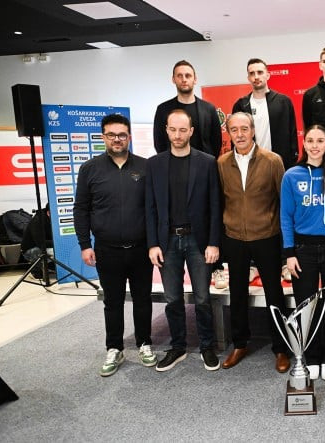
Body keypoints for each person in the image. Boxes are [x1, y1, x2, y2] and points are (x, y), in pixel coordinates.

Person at [74, 113, 156, 377]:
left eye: (122, 135)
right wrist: (85, 244)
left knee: (143, 299)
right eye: (111, 135)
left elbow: (153, 208)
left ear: (129, 137)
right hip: (106, 250)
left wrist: (154, 244)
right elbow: (81, 209)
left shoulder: (145, 167)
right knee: (113, 302)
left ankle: (144, 343)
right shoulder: (90, 169)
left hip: (141, 248)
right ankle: (114, 348)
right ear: (103, 137)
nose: (117, 139)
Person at [145, 109, 222, 372]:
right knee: (173, 299)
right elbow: (150, 208)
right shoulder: (154, 164)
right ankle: (177, 347)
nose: (177, 135)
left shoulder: (207, 162)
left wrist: (214, 242)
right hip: (167, 242)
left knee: (202, 298)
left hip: (198, 241)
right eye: (173, 129)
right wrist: (152, 244)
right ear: (166, 130)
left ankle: (207, 346)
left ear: (191, 131)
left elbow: (215, 205)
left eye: (182, 130)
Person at [217, 112, 290, 373]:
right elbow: (220, 201)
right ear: (229, 133)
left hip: (267, 236)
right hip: (234, 237)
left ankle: (281, 348)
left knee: (274, 294)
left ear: (253, 130)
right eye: (234, 130)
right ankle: (240, 344)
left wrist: (286, 245)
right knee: (237, 293)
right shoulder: (222, 163)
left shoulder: (272, 161)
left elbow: (284, 202)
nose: (239, 134)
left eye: (244, 129)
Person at [280, 125, 325, 381]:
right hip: (303, 250)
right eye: (310, 140)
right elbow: (286, 217)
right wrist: (289, 253)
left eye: (320, 140)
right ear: (304, 143)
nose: (315, 145)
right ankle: (312, 355)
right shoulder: (291, 175)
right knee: (306, 305)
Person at [232, 58, 298, 171]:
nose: (256, 77)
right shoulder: (241, 105)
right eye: (252, 73)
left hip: (280, 164)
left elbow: (292, 134)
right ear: (248, 78)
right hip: (251, 166)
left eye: (260, 72)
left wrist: (292, 161)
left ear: (267, 75)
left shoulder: (283, 102)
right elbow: (235, 138)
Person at [153, 60, 222, 157]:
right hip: (172, 163)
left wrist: (209, 162)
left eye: (188, 76)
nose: (184, 79)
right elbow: (159, 143)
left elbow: (216, 142)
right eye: (179, 76)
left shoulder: (209, 109)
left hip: (203, 164)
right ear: (173, 79)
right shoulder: (163, 109)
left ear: (195, 79)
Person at [20, 203, 53, 278]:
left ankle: (53, 268)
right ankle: (35, 271)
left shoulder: (51, 219)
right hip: (30, 250)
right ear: (48, 213)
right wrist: (58, 244)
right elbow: (41, 243)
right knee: (57, 252)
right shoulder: (38, 221)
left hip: (45, 246)